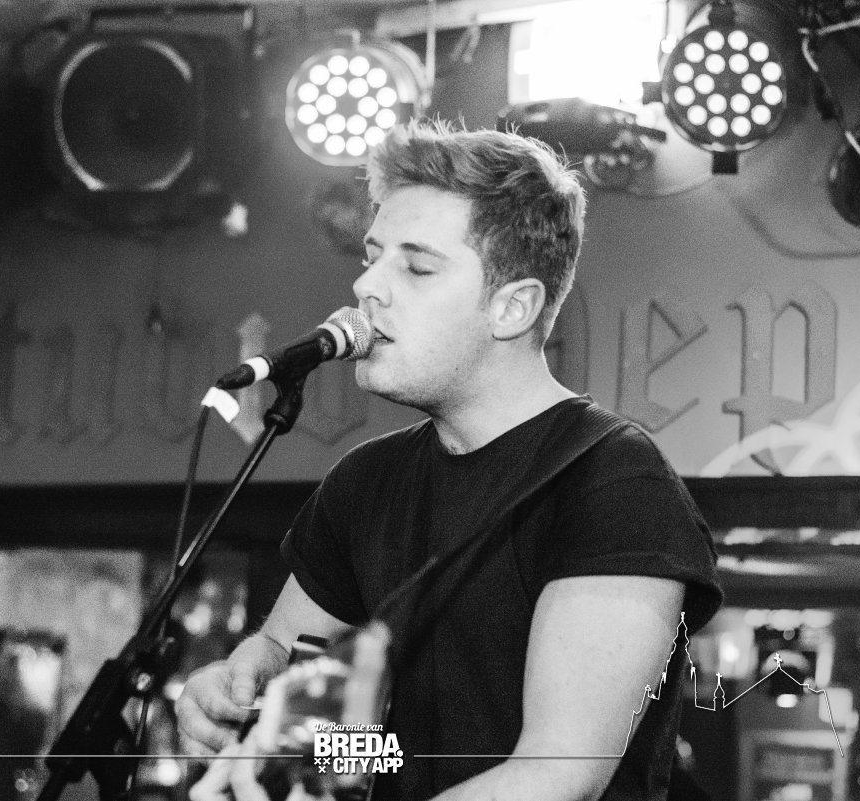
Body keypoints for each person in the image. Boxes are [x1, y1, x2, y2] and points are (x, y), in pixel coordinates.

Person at [175, 119, 722, 801]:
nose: (367, 286)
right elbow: (318, 714)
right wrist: (241, 691)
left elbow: (558, 775)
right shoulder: (364, 482)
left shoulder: (614, 481)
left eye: (417, 267)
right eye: (372, 256)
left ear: (513, 307)